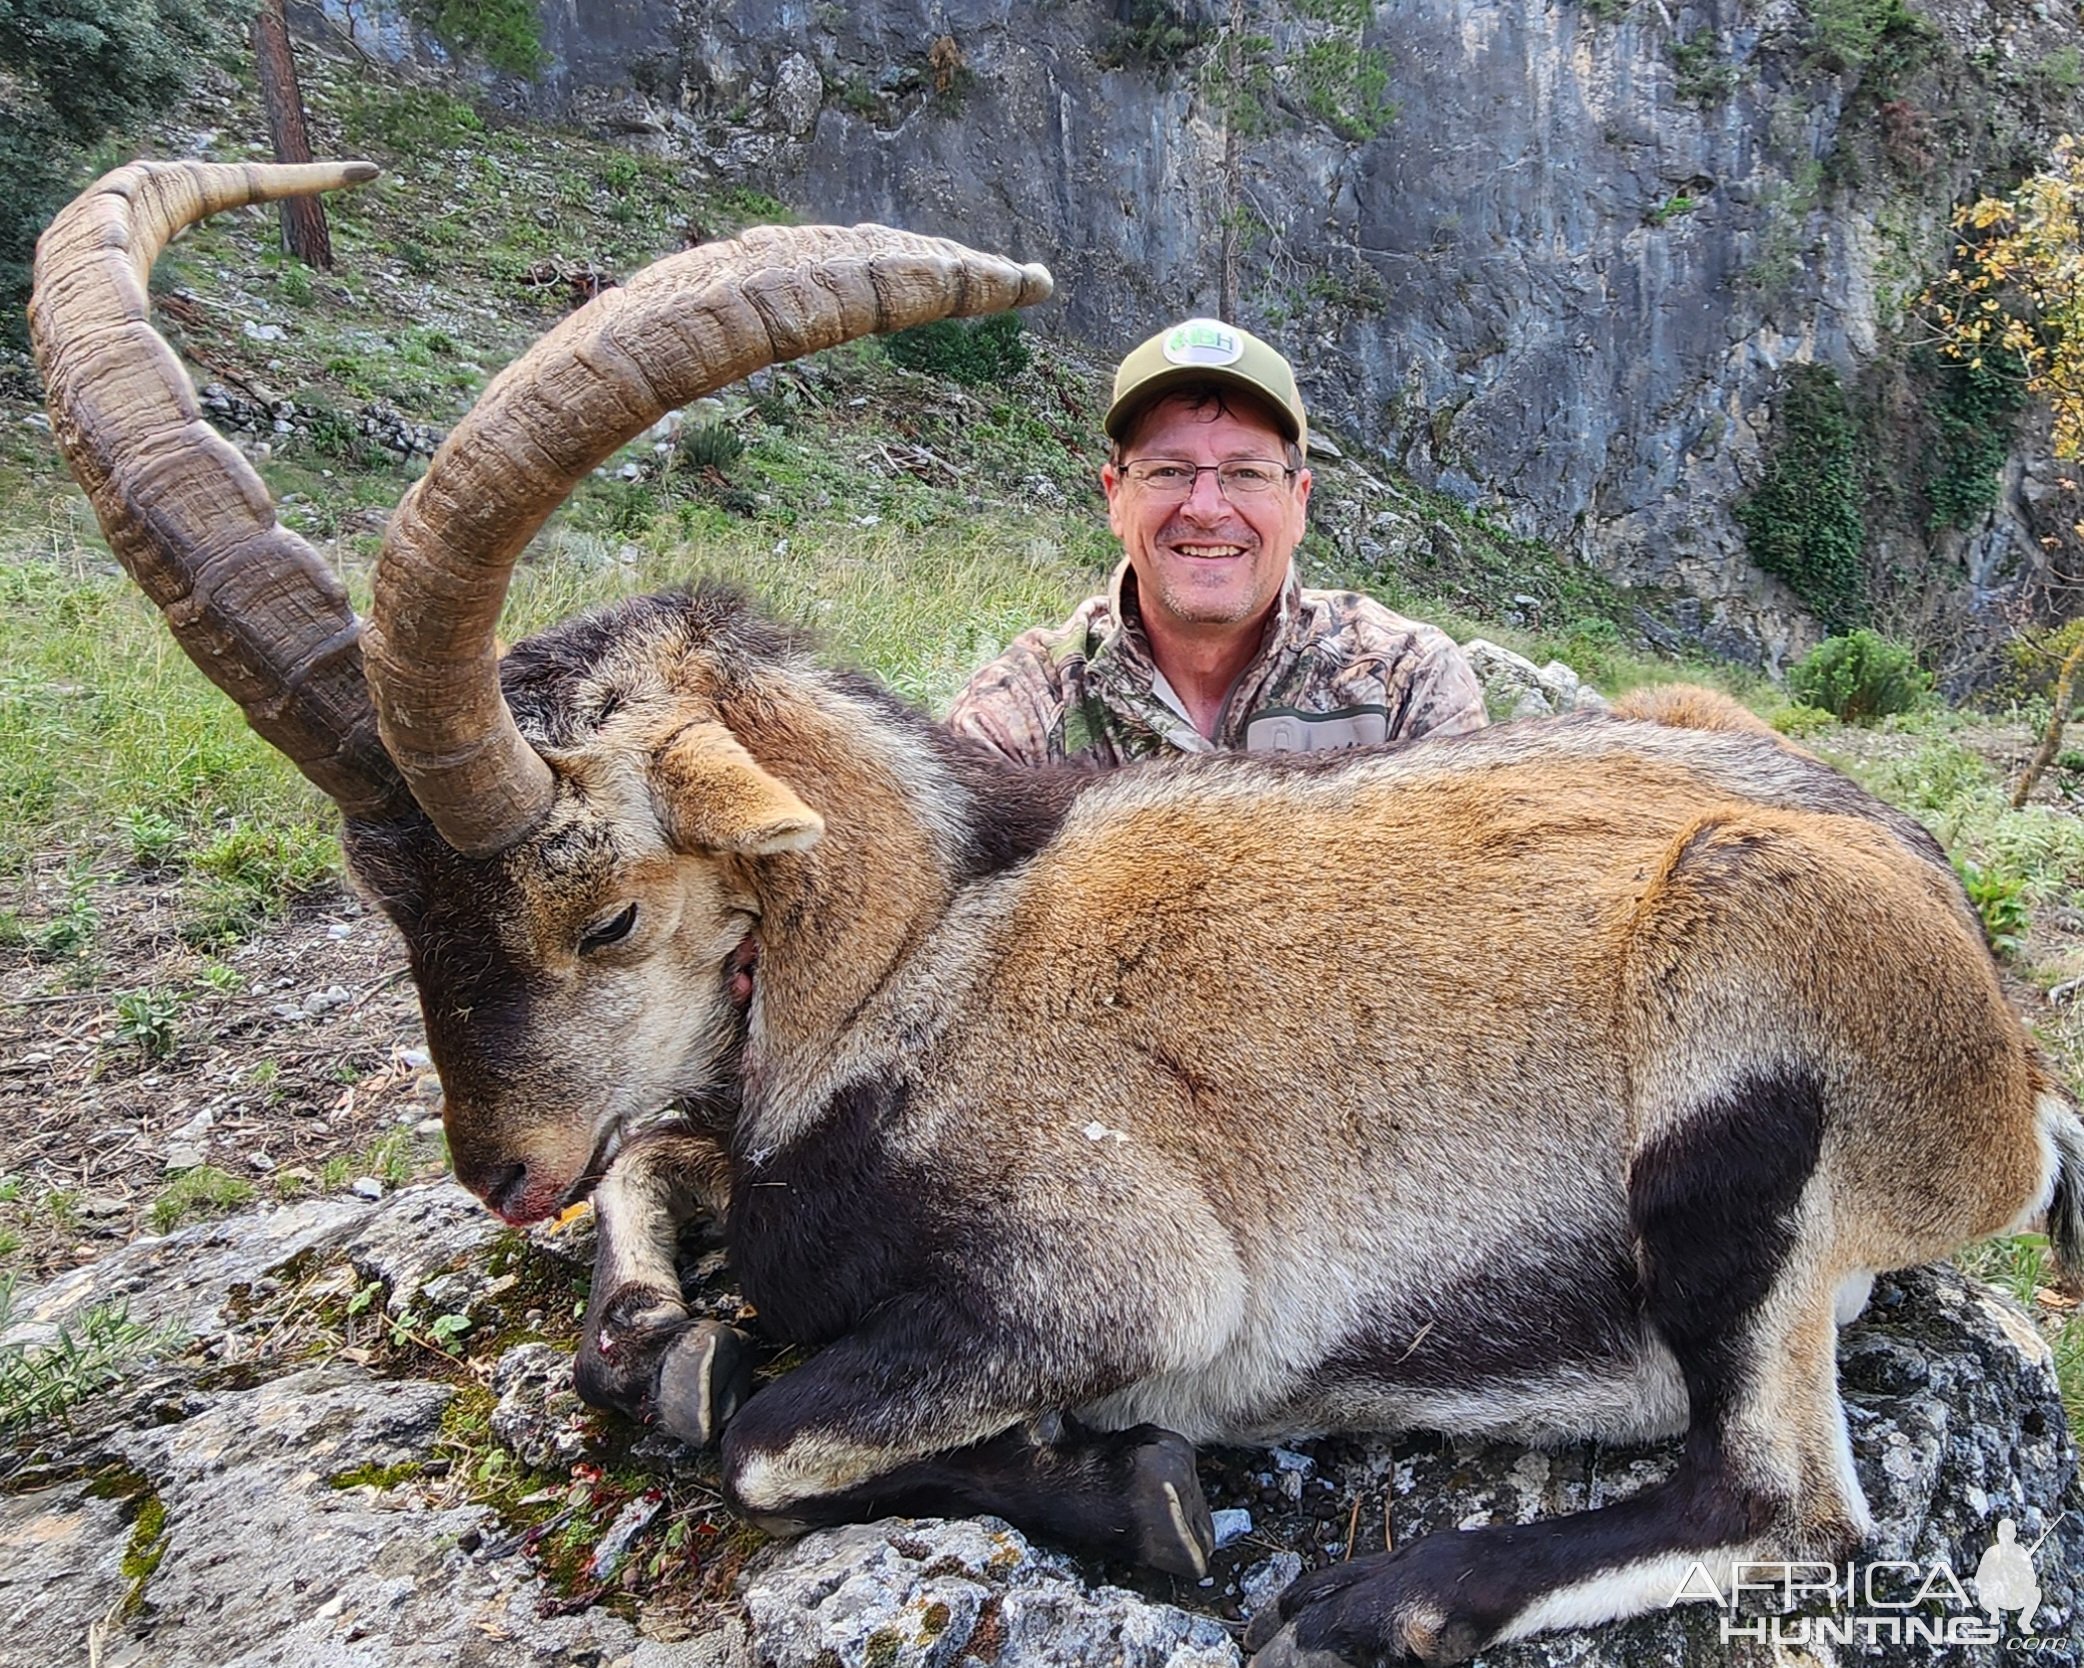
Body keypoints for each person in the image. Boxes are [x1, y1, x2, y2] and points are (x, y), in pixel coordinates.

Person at [946, 318, 1488, 765]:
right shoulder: (1021, 709)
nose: (1205, 508)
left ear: (1299, 502)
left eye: (1247, 472)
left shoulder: (1407, 679)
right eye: (1167, 471)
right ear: (1115, 496)